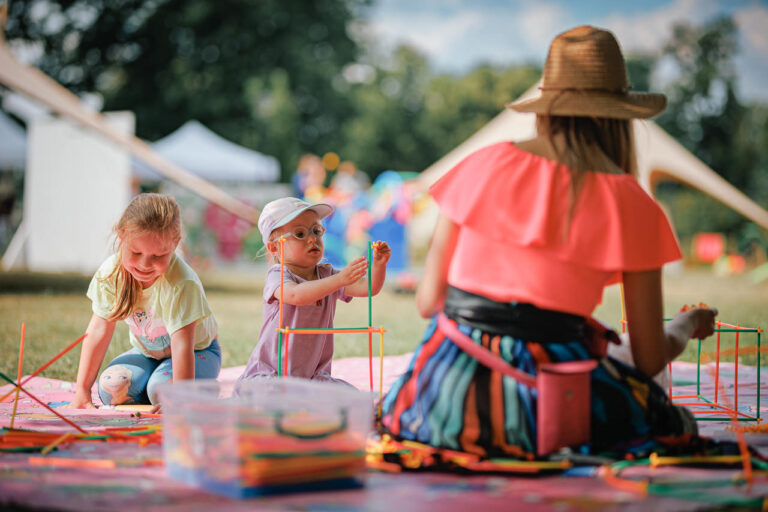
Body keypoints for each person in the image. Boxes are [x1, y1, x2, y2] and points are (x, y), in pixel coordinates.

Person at [379, 26, 718, 457]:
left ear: (546, 108)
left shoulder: (482, 164)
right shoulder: (633, 203)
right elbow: (650, 359)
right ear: (617, 115)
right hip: (554, 398)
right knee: (673, 422)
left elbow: (430, 302)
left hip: (439, 397)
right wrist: (687, 324)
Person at [67, 193, 221, 408]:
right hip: (147, 353)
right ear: (121, 237)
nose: (145, 264)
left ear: (175, 244)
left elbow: (182, 344)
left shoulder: (182, 283)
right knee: (110, 389)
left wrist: (180, 398)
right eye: (136, 252)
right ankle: (158, 384)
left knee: (161, 392)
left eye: (158, 256)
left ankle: (202, 391)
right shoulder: (110, 274)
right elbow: (98, 331)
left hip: (199, 353)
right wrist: (82, 391)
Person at [239, 197, 390, 386]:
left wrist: (379, 265)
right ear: (274, 247)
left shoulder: (326, 274)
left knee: (350, 398)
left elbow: (368, 289)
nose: (312, 239)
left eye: (317, 231)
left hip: (313, 379)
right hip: (271, 375)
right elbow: (296, 295)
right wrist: (339, 280)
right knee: (268, 398)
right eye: (300, 234)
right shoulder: (277, 276)